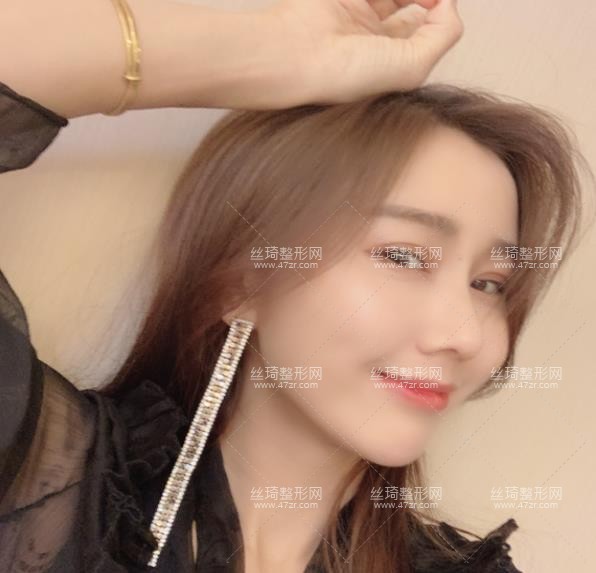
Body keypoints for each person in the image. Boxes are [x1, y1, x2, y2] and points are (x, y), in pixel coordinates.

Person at [2, 0, 590, 571]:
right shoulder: (53, 488)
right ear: (240, 280)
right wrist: (270, 50)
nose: (464, 335)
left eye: (489, 284)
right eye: (404, 256)